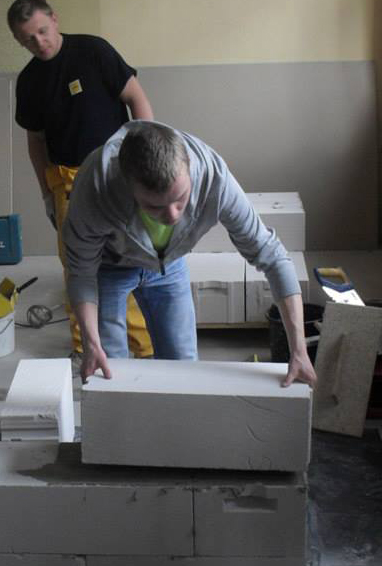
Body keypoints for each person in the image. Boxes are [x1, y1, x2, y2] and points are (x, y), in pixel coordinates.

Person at [62, 120, 318, 388]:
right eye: (154, 206)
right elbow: (81, 272)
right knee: (110, 371)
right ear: (128, 186)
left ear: (189, 170)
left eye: (180, 198)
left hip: (169, 264)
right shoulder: (95, 186)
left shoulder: (214, 179)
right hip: (109, 266)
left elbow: (273, 257)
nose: (172, 215)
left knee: (184, 368)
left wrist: (299, 350)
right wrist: (91, 343)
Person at [7, 0, 155, 363]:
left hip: (117, 174)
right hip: (67, 182)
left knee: (128, 260)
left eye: (42, 31)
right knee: (77, 267)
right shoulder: (29, 82)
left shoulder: (93, 51)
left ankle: (144, 349)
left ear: (54, 20)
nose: (39, 43)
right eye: (28, 39)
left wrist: (146, 158)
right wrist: (46, 194)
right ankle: (85, 347)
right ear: (18, 40)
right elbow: (36, 141)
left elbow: (136, 99)